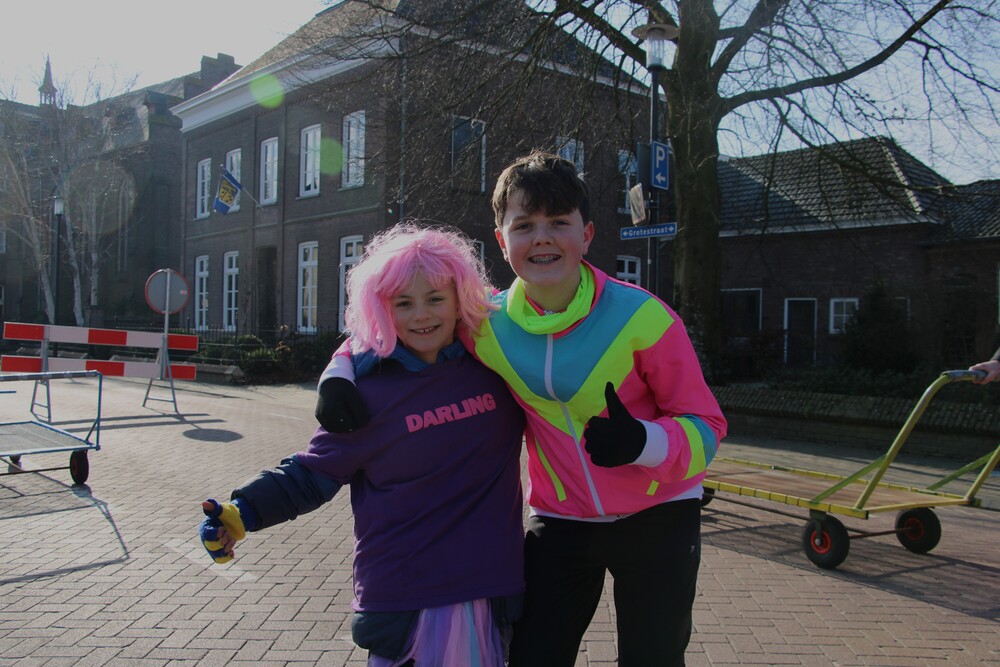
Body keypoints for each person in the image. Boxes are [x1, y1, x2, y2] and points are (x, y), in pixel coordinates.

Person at [317, 151, 728, 666]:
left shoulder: (644, 317)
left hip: (658, 513)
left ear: (587, 234)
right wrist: (338, 371)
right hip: (562, 518)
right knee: (533, 657)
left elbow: (707, 425)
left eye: (558, 222)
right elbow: (405, 324)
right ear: (501, 239)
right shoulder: (485, 322)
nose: (542, 238)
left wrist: (643, 442)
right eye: (525, 225)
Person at [201, 224, 527, 667]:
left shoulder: (498, 370)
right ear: (382, 307)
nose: (421, 315)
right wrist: (241, 512)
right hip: (405, 597)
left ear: (459, 298)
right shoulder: (365, 394)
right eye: (403, 303)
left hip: (489, 589)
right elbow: (310, 475)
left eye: (435, 298)